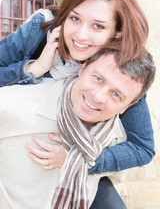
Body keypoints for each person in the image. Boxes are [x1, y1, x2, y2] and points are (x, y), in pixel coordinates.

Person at [0, 0, 154, 207]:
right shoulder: (40, 30)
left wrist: (78, 158)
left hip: (82, 156)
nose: (80, 35)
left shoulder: (121, 71)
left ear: (117, 34)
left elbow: (142, 146)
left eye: (98, 26)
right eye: (74, 19)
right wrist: (33, 68)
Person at [0, 48, 155, 209]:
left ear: (127, 106)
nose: (98, 97)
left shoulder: (116, 138)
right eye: (98, 79)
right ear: (82, 68)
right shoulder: (12, 105)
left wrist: (76, 159)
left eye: (116, 95)